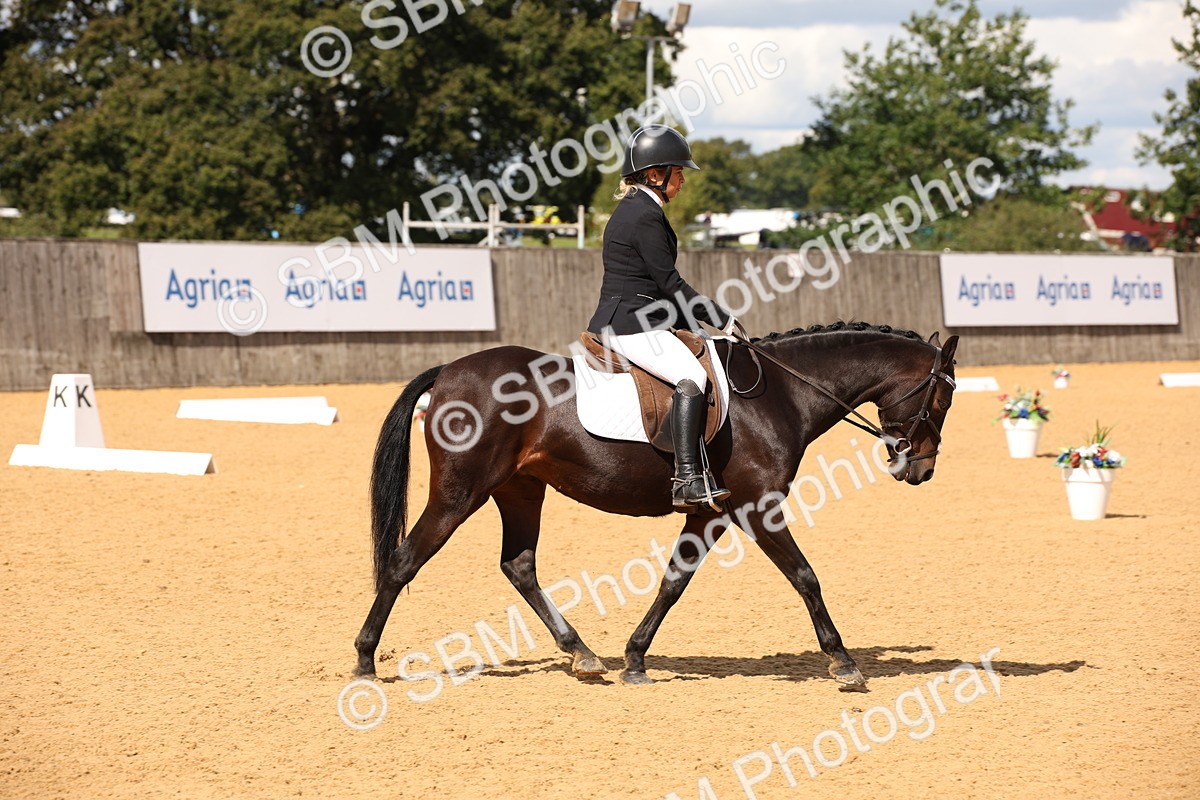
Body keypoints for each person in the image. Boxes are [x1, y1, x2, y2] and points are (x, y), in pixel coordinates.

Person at [586, 124, 739, 512]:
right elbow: (670, 283)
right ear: (655, 174)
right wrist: (721, 319)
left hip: (640, 317)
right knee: (693, 378)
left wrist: (698, 327)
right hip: (629, 323)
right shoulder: (643, 216)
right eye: (679, 172)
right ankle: (687, 479)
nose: (683, 180)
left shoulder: (639, 209)